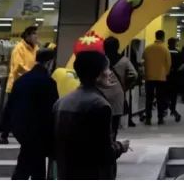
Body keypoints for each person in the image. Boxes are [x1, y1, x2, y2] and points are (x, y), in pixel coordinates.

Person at [53, 51, 130, 180]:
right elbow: (103, 152)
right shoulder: (100, 105)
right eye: (107, 69)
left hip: (66, 173)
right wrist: (120, 146)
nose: (110, 73)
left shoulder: (60, 103)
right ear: (98, 75)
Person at [9, 48, 59, 180]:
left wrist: (4, 129)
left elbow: (10, 105)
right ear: (49, 63)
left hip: (22, 130)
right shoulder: (48, 83)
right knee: (32, 168)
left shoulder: (21, 80)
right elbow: (52, 110)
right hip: (40, 132)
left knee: (28, 165)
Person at [0, 26, 39, 144]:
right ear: (27, 36)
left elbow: (36, 63)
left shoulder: (35, 48)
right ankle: (2, 134)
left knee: (27, 111)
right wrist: (33, 74)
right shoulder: (19, 48)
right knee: (11, 111)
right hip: (16, 85)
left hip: (29, 85)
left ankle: (25, 134)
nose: (36, 37)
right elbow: (19, 67)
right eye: (34, 34)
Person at [104, 36, 138, 128]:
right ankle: (113, 135)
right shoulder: (124, 60)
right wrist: (126, 85)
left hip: (102, 94)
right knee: (115, 121)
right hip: (117, 93)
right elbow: (134, 74)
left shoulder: (101, 60)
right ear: (118, 47)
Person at [143, 30, 171, 125]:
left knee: (149, 99)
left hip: (149, 77)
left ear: (155, 36)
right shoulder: (165, 49)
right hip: (161, 77)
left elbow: (144, 61)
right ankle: (160, 118)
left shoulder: (148, 48)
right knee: (160, 99)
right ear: (163, 37)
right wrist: (165, 73)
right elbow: (168, 64)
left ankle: (148, 118)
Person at [167, 37, 183, 122]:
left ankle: (168, 109)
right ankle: (173, 109)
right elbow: (181, 65)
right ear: (174, 43)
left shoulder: (165, 51)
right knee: (174, 95)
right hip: (175, 77)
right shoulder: (178, 52)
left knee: (165, 95)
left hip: (166, 76)